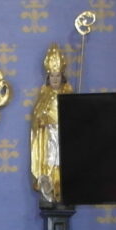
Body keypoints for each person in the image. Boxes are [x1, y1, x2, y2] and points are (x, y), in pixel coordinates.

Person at [29, 43, 73, 207]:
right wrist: (41, 121)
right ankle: (48, 191)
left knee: (62, 161)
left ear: (62, 77)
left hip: (63, 134)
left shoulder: (68, 95)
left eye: (58, 76)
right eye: (52, 76)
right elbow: (37, 117)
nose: (55, 79)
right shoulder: (44, 97)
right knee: (50, 160)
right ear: (48, 77)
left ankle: (62, 190)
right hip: (49, 136)